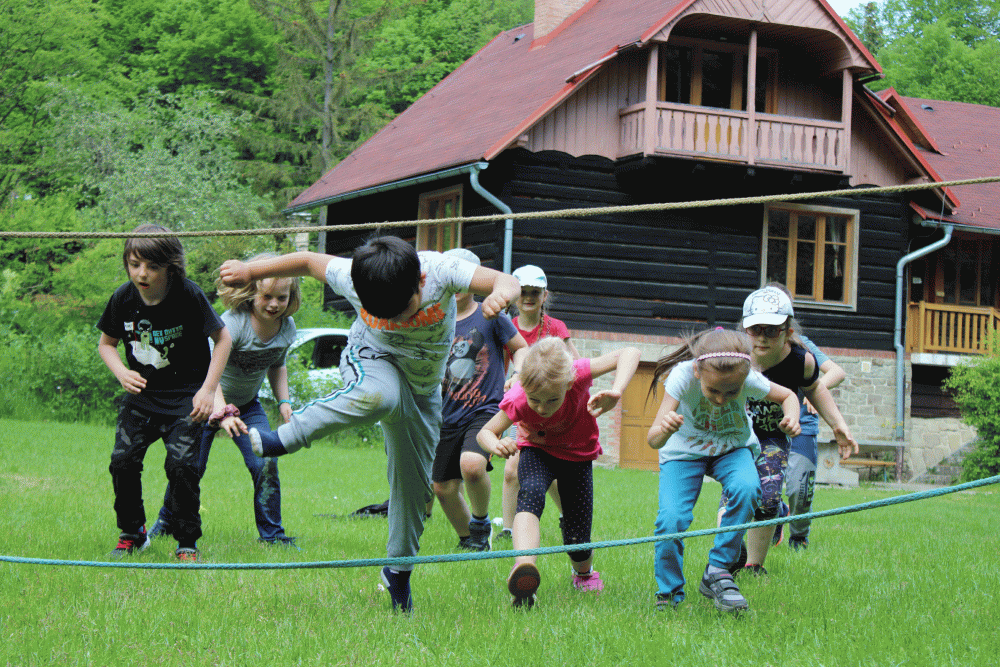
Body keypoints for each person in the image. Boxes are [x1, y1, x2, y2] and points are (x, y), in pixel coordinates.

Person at [219, 236, 519, 612]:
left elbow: (506, 280)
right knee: (382, 395)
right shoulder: (352, 275)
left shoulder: (441, 271)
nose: (395, 320)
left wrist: (501, 295)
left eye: (402, 309)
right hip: (372, 358)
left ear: (420, 284)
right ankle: (285, 437)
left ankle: (398, 573)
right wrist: (250, 271)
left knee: (413, 490)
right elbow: (309, 260)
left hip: (425, 392)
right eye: (383, 313)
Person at [97, 223, 232, 563]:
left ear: (170, 266)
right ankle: (132, 532)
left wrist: (207, 390)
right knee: (122, 461)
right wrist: (122, 372)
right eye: (134, 264)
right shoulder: (122, 299)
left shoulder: (187, 294)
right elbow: (106, 344)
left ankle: (187, 542)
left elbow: (223, 339)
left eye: (152, 266)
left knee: (183, 466)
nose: (142, 273)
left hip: (186, 398)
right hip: (142, 398)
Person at [149, 254, 301, 547]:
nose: (273, 304)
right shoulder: (233, 325)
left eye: (281, 298)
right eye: (266, 296)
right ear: (251, 293)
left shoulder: (286, 327)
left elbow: (277, 365)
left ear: (290, 297)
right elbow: (210, 374)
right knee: (190, 467)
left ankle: (273, 536)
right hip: (206, 402)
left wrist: (284, 401)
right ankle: (168, 521)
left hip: (247, 406)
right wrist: (222, 413)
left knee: (265, 463)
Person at [478, 337, 640, 608]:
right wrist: (497, 443)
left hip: (577, 456)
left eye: (552, 399)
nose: (541, 408)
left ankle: (584, 573)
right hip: (537, 450)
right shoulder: (519, 397)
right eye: (535, 400)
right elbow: (486, 432)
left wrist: (617, 391)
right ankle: (525, 569)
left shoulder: (578, 374)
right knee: (529, 495)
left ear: (568, 383)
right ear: (524, 389)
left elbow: (631, 352)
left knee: (577, 532)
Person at [646, 327, 800, 613]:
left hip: (732, 448)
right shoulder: (681, 376)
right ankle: (668, 594)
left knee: (748, 487)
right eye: (713, 390)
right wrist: (664, 431)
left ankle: (717, 569)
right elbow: (653, 439)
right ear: (697, 371)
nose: (720, 399)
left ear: (745, 378)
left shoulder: (749, 376)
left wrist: (792, 416)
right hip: (684, 453)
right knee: (671, 520)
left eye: (732, 392)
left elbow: (788, 396)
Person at [730, 286, 858, 575]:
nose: (762, 337)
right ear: (744, 329)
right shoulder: (734, 355)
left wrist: (839, 425)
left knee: (771, 495)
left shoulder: (802, 360)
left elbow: (815, 389)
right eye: (755, 329)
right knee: (739, 493)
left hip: (774, 435)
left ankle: (754, 565)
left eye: (772, 330)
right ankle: (727, 559)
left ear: (787, 331)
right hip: (736, 435)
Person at [434, 248, 527, 552]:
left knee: (472, 466)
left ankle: (480, 522)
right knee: (443, 489)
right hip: (444, 413)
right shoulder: (434, 320)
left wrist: (519, 374)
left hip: (484, 409)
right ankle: (470, 541)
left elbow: (522, 349)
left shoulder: (490, 316)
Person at [497, 264, 577, 541]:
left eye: (535, 292)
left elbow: (574, 366)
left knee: (548, 473)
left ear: (545, 295)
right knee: (511, 470)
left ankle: (570, 516)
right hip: (519, 404)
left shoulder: (555, 327)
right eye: (523, 292)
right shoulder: (507, 326)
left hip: (550, 409)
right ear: (515, 296)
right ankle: (508, 530)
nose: (528, 297)